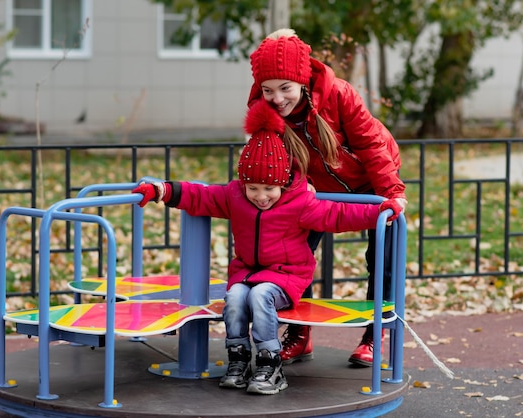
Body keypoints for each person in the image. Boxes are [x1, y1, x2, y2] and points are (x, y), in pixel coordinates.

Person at [132, 99, 392, 395]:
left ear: (282, 184)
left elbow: (339, 214)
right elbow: (199, 195)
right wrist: (160, 190)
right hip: (247, 273)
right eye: (252, 188)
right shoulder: (235, 196)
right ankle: (239, 358)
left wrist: (381, 211)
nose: (260, 196)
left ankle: (270, 364)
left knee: (260, 296)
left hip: (286, 277)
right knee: (235, 296)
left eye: (269, 189)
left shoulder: (300, 203)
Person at [248, 28, 407, 367]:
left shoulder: (339, 94)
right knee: (291, 256)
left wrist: (391, 194)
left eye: (285, 88)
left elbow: (370, 145)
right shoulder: (268, 113)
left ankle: (375, 332)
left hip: (369, 183)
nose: (277, 98)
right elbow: (275, 163)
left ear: (303, 82)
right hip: (316, 191)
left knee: (383, 255)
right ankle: (299, 332)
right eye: (268, 90)